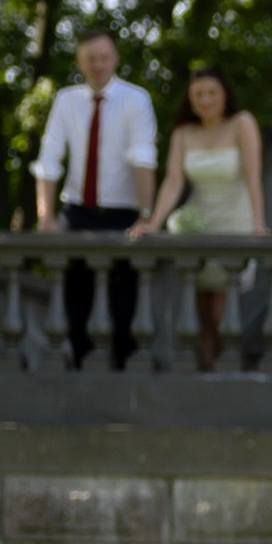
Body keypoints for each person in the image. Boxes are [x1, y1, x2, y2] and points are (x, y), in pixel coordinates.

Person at [32, 26, 158, 370]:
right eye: (90, 58)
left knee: (124, 304)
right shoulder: (65, 100)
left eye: (104, 57)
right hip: (77, 213)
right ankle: (80, 372)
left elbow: (143, 159)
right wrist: (46, 217)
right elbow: (48, 160)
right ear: (80, 61)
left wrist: (146, 216)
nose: (98, 64)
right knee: (75, 301)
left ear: (115, 58)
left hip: (124, 215)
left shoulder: (137, 99)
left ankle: (122, 375)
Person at [133, 66, 265, 369]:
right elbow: (173, 181)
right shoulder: (183, 133)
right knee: (200, 311)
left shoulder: (242, 123)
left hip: (235, 220)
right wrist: (152, 222)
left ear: (224, 95)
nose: (205, 100)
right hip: (198, 222)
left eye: (211, 93)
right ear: (190, 101)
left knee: (221, 312)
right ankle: (205, 372)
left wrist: (259, 223)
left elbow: (253, 177)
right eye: (198, 95)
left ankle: (222, 371)